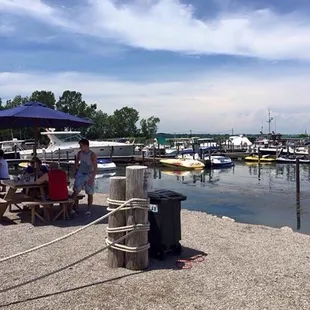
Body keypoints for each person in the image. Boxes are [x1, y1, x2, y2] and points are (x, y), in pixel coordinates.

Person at [70, 139, 97, 217]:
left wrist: (92, 178)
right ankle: (70, 207)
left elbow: (95, 167)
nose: (80, 147)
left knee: (90, 193)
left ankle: (89, 209)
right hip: (80, 173)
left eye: (81, 146)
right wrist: (73, 172)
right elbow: (76, 163)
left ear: (86, 146)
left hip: (89, 174)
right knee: (76, 190)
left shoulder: (92, 154)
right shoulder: (79, 153)